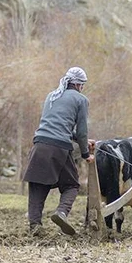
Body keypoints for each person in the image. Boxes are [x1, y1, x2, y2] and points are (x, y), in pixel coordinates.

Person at [23, 67, 93, 236]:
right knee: (71, 185)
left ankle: (35, 226)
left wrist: (78, 139)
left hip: (39, 145)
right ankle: (61, 212)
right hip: (59, 148)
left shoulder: (51, 96)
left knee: (37, 187)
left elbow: (56, 124)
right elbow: (82, 131)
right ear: (78, 85)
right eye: (82, 85)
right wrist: (85, 154)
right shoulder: (81, 100)